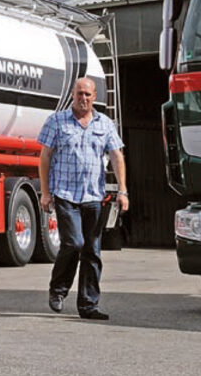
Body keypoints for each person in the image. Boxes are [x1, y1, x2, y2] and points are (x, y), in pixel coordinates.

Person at [37, 77, 128, 320]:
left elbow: (116, 156)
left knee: (92, 250)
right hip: (65, 194)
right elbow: (45, 156)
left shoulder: (105, 124)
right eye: (79, 94)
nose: (83, 98)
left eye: (87, 94)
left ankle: (89, 305)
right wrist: (45, 192)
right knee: (73, 243)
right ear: (72, 95)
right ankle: (58, 290)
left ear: (94, 96)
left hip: (93, 196)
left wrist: (123, 190)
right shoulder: (56, 121)